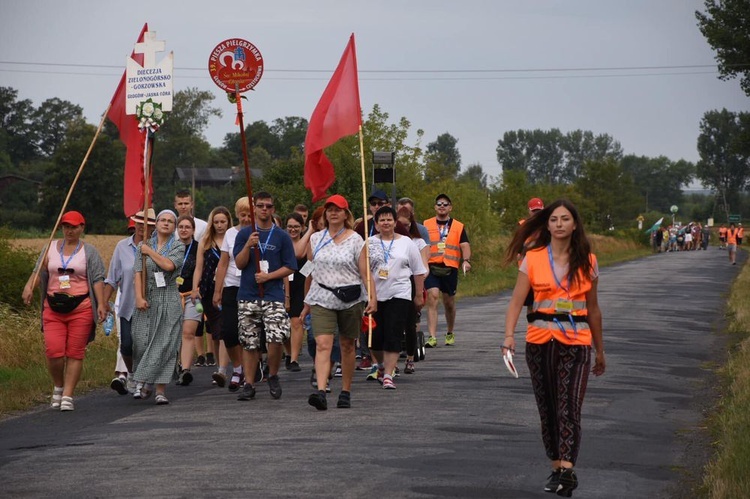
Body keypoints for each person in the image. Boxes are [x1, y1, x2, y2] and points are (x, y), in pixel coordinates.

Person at [502, 199, 605, 497]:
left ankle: (568, 469)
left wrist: (600, 350)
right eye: (554, 220)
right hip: (539, 342)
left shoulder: (589, 261)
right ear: (547, 225)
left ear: (575, 224)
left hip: (577, 344)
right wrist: (508, 336)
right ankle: (557, 467)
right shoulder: (532, 258)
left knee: (569, 406)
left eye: (565, 219)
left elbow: (594, 310)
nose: (559, 224)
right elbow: (516, 301)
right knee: (547, 408)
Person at [22, 211, 107, 412]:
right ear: (62, 228)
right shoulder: (50, 247)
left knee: (75, 353)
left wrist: (102, 303)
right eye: (66, 226)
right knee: (54, 351)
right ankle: (58, 385)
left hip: (81, 307)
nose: (70, 230)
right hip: (53, 307)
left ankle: (68, 394)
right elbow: (39, 271)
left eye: (74, 226)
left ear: (82, 228)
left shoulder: (90, 251)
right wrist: (28, 288)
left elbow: (97, 279)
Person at [301, 194, 377, 410]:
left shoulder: (356, 240)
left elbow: (365, 272)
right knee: (323, 344)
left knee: (347, 345)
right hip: (321, 297)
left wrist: (373, 297)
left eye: (338, 209)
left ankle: (345, 390)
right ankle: (322, 391)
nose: (333, 213)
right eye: (330, 209)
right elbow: (309, 271)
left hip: (350, 298)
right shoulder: (316, 239)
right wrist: (306, 302)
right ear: (325, 213)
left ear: (346, 214)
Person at [233, 192, 297, 401]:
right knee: (249, 342)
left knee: (276, 337)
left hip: (273, 294)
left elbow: (290, 266)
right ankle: (249, 383)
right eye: (260, 206)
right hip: (248, 295)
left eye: (268, 206)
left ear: (273, 209)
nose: (264, 209)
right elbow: (240, 263)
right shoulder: (244, 234)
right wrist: (248, 246)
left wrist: (269, 276)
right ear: (254, 209)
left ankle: (273, 374)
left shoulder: (282, 236)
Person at [367, 206, 427, 389]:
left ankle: (388, 375)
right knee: (376, 337)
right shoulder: (368, 243)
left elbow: (418, 271)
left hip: (399, 293)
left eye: (389, 219)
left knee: (393, 333)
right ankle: (380, 364)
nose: (386, 223)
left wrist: (418, 294)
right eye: (382, 220)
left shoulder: (407, 243)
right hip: (375, 295)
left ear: (395, 223)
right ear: (376, 224)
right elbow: (362, 270)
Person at [132, 209, 185, 405]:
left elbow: (169, 266)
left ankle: (160, 390)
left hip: (169, 298)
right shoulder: (143, 246)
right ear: (156, 223)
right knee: (142, 342)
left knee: (165, 345)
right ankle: (145, 378)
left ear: (174, 226)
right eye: (162, 220)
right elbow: (138, 272)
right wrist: (138, 297)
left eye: (170, 221)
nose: (165, 223)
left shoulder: (178, 246)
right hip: (149, 297)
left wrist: (149, 252)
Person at [103, 208, 156, 396]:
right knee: (127, 345)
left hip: (151, 307)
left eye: (148, 224)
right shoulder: (121, 247)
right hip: (127, 306)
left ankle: (145, 380)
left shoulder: (158, 247)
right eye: (140, 223)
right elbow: (111, 279)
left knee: (145, 345)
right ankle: (132, 373)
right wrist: (103, 304)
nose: (143, 227)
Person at [211, 198, 253, 391]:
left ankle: (250, 369)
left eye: (248, 215)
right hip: (231, 286)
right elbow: (223, 263)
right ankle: (237, 368)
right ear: (237, 214)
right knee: (228, 331)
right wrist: (217, 290)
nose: (245, 219)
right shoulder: (230, 233)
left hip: (251, 287)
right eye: (242, 215)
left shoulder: (258, 233)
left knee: (248, 333)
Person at [424, 193, 471, 347]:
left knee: (449, 303)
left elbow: (464, 245)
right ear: (434, 207)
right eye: (439, 204)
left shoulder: (458, 226)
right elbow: (421, 244)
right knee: (432, 297)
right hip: (431, 266)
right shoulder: (426, 224)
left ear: (450, 207)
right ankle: (431, 336)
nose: (442, 206)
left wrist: (466, 260)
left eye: (445, 204)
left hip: (450, 268)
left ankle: (450, 332)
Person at [191, 207, 232, 369]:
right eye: (216, 222)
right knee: (215, 332)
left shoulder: (233, 239)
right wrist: (195, 288)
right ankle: (219, 366)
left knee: (224, 329)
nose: (220, 225)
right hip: (208, 290)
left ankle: (225, 368)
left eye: (223, 222)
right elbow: (199, 268)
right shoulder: (205, 242)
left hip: (228, 288)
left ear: (228, 222)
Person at [396, 206, 430, 374]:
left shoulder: (418, 242)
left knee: (410, 324)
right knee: (394, 324)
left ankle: (410, 357)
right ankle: (392, 359)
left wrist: (419, 284)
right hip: (394, 284)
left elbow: (424, 266)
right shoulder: (392, 241)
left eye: (407, 225)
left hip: (412, 283)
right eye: (400, 224)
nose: (404, 228)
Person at [284, 212, 313, 372]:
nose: (293, 230)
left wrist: (305, 274)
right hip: (283, 284)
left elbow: (309, 261)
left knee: (296, 322)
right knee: (283, 325)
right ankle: (288, 353)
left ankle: (294, 358)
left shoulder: (307, 242)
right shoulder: (282, 241)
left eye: (296, 227)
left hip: (300, 283)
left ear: (302, 228)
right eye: (290, 227)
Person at [176, 215, 199, 386]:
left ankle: (186, 369)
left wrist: (198, 289)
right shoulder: (171, 248)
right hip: (172, 295)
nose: (184, 229)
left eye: (187, 227)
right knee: (175, 333)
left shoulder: (199, 248)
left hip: (192, 295)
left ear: (193, 230)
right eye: (181, 227)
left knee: (188, 332)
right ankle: (176, 364)